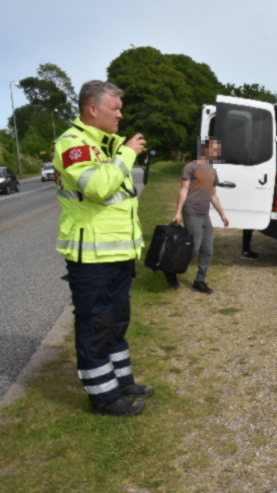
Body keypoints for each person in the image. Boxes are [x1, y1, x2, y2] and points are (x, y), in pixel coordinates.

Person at [53, 80, 152, 417]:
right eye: (115, 108)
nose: (120, 115)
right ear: (92, 109)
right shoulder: (72, 144)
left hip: (118, 255)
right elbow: (97, 187)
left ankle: (122, 382)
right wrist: (128, 153)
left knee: (116, 322)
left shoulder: (107, 146)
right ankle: (103, 398)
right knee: (95, 326)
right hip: (91, 258)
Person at [170, 138, 230, 293]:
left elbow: (213, 195)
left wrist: (222, 214)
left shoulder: (212, 170)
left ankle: (199, 281)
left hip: (204, 214)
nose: (217, 152)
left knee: (208, 250)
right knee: (193, 248)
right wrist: (178, 213)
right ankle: (171, 271)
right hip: (191, 211)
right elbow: (183, 190)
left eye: (218, 149)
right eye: (215, 149)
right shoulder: (190, 167)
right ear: (205, 149)